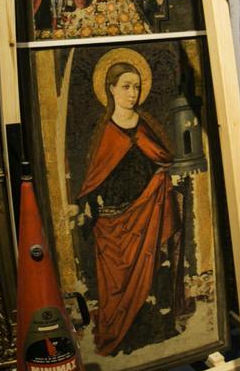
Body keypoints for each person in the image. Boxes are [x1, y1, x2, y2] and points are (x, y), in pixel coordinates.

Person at [73, 59, 185, 355]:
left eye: (137, 87)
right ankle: (118, 332)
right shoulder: (104, 132)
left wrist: (164, 177)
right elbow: (93, 179)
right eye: (126, 86)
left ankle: (151, 328)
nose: (132, 93)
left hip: (147, 215)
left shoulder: (147, 126)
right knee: (116, 284)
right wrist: (86, 207)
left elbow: (162, 158)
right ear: (110, 89)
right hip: (113, 224)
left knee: (150, 273)